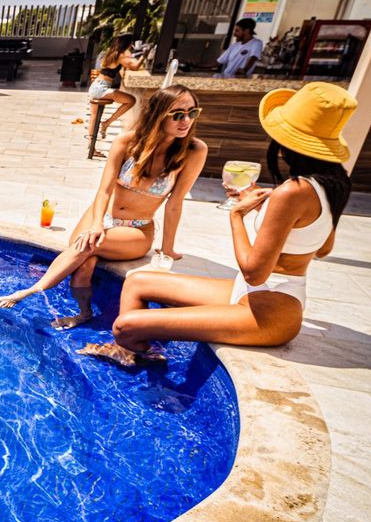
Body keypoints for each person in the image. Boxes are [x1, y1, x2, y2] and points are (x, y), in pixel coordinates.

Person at [80, 82, 355, 366]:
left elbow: (254, 274)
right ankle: (130, 353)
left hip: (267, 312)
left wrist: (236, 215)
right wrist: (275, 214)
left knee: (125, 325)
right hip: (268, 295)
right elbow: (323, 248)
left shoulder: (293, 191)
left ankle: (135, 351)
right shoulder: (334, 184)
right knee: (137, 282)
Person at [0, 85, 207, 330]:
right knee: (85, 259)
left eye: (193, 113)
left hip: (137, 230)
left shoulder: (193, 151)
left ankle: (30, 290)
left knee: (88, 245)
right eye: (178, 114)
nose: (187, 121)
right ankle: (84, 313)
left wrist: (167, 249)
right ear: (158, 114)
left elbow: (175, 203)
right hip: (102, 215)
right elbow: (104, 190)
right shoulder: (128, 142)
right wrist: (97, 223)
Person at [87, 34, 142, 141]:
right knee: (131, 100)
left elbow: (128, 60)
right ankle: (107, 123)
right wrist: (145, 55)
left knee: (94, 117)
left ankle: (91, 146)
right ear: (128, 44)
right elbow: (135, 67)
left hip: (96, 86)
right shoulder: (120, 55)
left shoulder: (112, 53)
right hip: (101, 88)